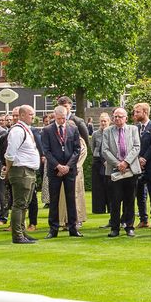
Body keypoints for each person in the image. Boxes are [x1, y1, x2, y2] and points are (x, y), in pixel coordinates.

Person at [42, 105, 83, 238]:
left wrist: (68, 166)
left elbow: (77, 149)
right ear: (55, 117)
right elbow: (46, 151)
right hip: (54, 170)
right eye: (59, 119)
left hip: (69, 170)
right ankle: (53, 229)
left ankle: (73, 227)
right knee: (54, 200)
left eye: (63, 118)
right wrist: (58, 166)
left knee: (71, 199)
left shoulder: (73, 128)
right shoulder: (47, 130)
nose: (61, 121)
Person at [101, 107, 142, 238]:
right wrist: (118, 164)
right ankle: (114, 227)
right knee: (115, 200)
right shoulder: (107, 131)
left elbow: (136, 147)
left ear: (126, 118)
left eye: (120, 116)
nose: (117, 119)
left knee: (130, 200)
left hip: (130, 170)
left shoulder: (133, 129)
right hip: (114, 170)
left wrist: (126, 162)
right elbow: (105, 150)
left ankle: (129, 226)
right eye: (115, 116)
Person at [5, 105, 41, 244]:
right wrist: (8, 169)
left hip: (27, 170)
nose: (33, 116)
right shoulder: (18, 131)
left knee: (25, 203)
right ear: (22, 115)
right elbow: (10, 153)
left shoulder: (25, 130)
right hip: (21, 171)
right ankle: (18, 235)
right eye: (31, 114)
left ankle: (22, 232)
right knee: (19, 204)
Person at [56, 96, 88, 227]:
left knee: (76, 193)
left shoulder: (78, 122)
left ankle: (76, 219)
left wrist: (71, 166)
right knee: (62, 196)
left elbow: (83, 146)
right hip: (62, 168)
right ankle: (64, 219)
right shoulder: (56, 128)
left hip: (74, 168)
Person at [134, 102, 151, 229]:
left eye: (137, 112)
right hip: (137, 165)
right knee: (139, 193)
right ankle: (143, 219)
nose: (135, 114)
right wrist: (138, 158)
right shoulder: (136, 128)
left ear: (145, 112)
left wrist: (145, 158)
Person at [91, 112, 112, 218]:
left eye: (105, 121)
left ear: (109, 121)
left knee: (109, 186)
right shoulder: (95, 134)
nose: (103, 123)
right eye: (101, 121)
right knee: (98, 186)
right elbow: (93, 146)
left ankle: (110, 207)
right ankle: (98, 209)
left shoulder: (112, 132)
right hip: (97, 161)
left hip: (109, 161)